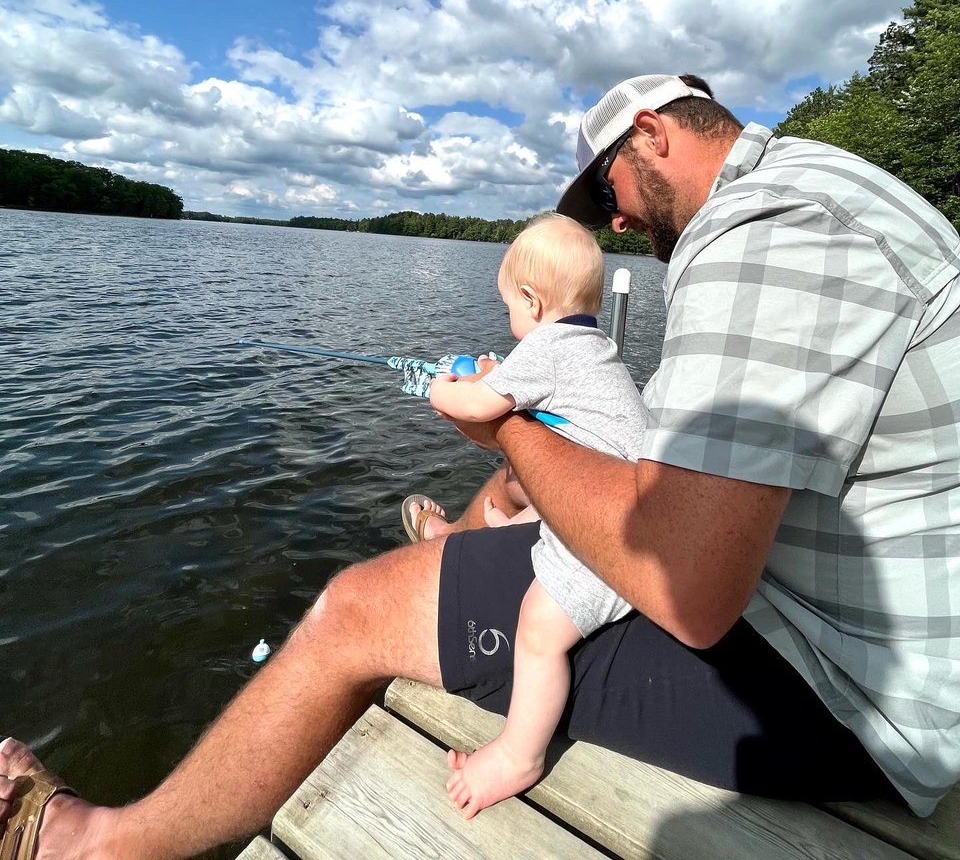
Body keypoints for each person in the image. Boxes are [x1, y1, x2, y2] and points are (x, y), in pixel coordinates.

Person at [4, 72, 960, 860]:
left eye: (609, 191)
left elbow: (693, 587)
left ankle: (92, 850)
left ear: (651, 134)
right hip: (836, 613)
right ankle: (455, 548)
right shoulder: (818, 187)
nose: (617, 224)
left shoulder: (763, 233)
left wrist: (505, 430)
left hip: (851, 685)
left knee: (352, 609)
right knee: (499, 507)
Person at [428, 212, 647, 817]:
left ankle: (518, 756)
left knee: (538, 630)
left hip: (614, 540)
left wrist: (439, 387)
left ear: (531, 299)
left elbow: (475, 404)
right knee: (536, 486)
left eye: (509, 308)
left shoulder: (547, 346)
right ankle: (517, 535)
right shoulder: (593, 346)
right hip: (623, 506)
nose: (511, 322)